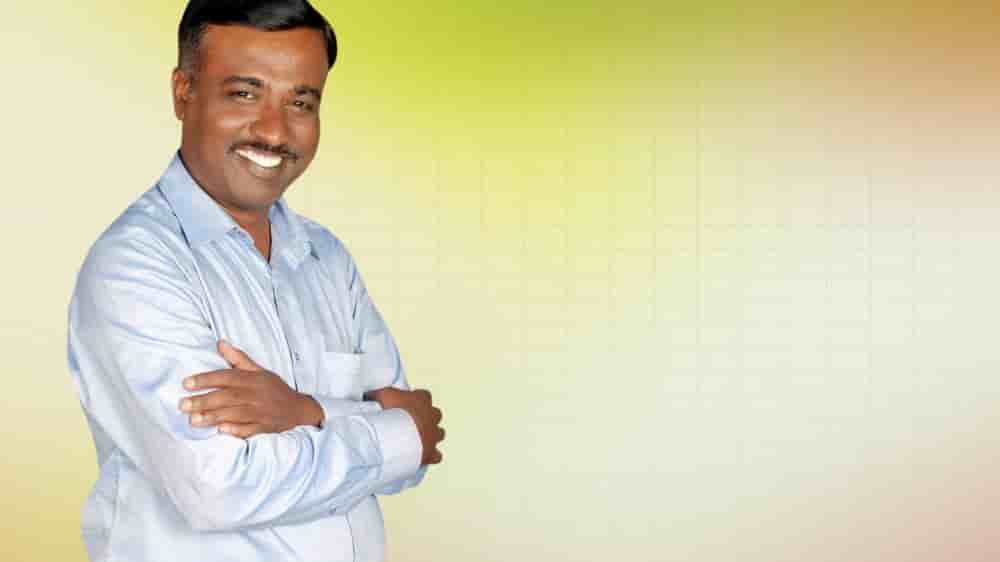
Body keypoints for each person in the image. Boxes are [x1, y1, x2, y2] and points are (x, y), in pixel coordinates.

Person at [66, 1, 445, 561]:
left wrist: (305, 411)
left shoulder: (325, 258)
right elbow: (220, 488)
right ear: (183, 92)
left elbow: (417, 451)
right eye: (245, 94)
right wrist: (383, 429)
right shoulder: (134, 265)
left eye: (301, 102)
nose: (274, 130)